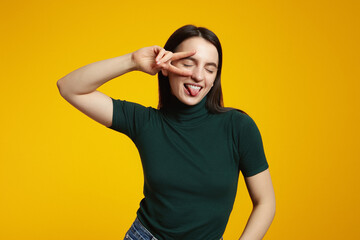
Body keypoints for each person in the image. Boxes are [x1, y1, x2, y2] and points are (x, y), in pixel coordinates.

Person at [57, 25, 276, 240]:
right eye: (188, 64)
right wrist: (132, 61)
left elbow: (265, 202)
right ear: (167, 66)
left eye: (210, 69)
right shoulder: (145, 121)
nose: (199, 76)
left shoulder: (238, 127)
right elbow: (69, 87)